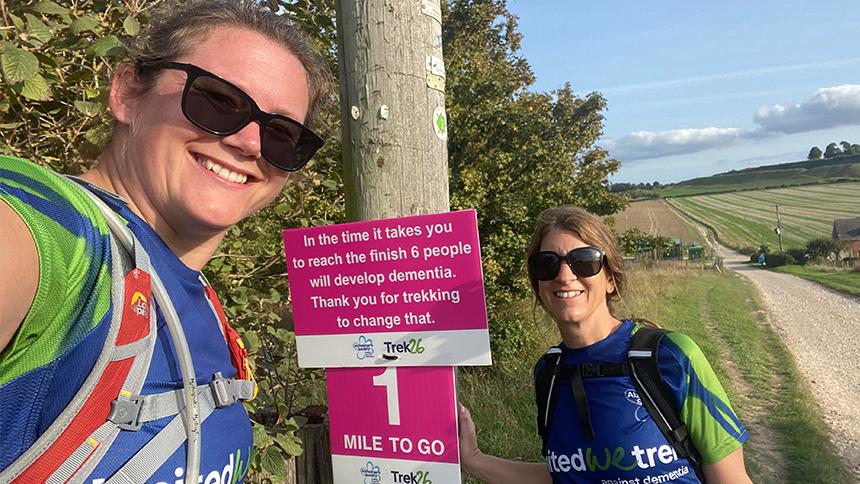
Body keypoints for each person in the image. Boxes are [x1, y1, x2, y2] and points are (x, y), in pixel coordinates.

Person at [0, 1, 329, 482]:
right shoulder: (56, 231)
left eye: (282, 133)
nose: (250, 144)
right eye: (218, 100)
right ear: (127, 92)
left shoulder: (201, 301)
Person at [458, 206, 751, 483]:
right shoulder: (549, 372)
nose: (564, 276)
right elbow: (568, 478)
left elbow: (732, 479)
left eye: (584, 261)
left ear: (611, 278)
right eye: (547, 264)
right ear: (538, 284)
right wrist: (472, 459)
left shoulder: (669, 356)